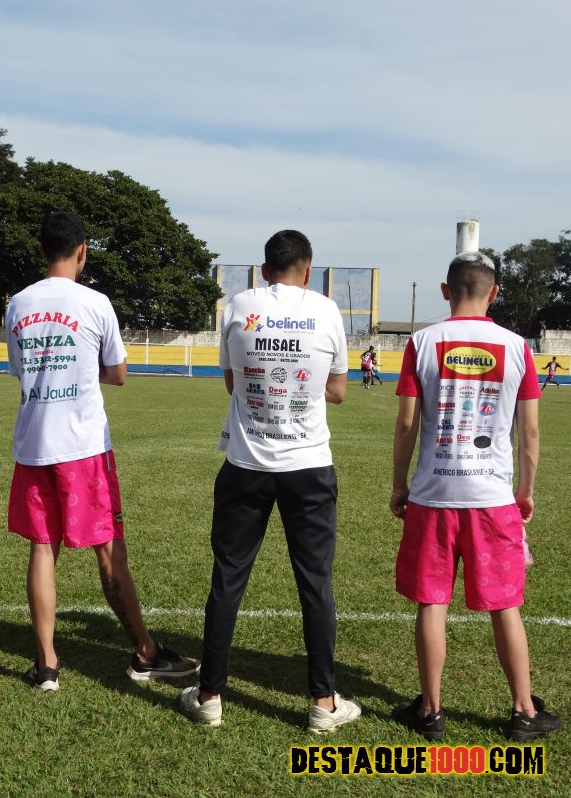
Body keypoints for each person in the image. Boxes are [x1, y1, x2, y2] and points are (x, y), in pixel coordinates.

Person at [5, 211, 199, 691]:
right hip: (84, 447)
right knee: (108, 549)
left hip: (33, 445)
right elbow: (117, 373)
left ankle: (47, 665)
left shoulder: (18, 304)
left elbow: (21, 371)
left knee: (42, 548)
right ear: (82, 252)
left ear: (40, 251)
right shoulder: (95, 303)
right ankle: (145, 652)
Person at [180, 230, 361, 731]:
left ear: (264, 271)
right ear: (308, 270)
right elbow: (339, 391)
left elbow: (231, 383)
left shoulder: (239, 306)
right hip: (309, 467)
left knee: (228, 578)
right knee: (315, 584)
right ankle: (323, 703)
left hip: (246, 464)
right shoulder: (326, 310)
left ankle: (210, 695)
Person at [390, 250, 562, 741]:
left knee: (432, 602)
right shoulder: (517, 347)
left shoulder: (422, 342)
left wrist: (399, 484)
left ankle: (431, 711)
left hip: (433, 496)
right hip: (493, 497)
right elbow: (529, 432)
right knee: (506, 605)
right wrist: (525, 491)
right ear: (495, 293)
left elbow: (406, 422)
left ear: (446, 291)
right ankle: (524, 710)